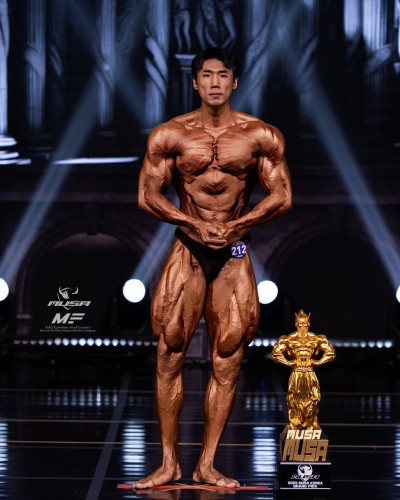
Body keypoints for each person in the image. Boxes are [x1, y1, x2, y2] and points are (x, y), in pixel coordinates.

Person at [135, 47, 292, 489]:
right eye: (207, 75)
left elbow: (282, 196)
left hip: (235, 250)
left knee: (228, 356)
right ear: (195, 82)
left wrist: (237, 225)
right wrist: (193, 223)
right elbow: (147, 195)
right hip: (188, 246)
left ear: (235, 82)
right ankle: (168, 464)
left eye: (223, 75)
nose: (215, 82)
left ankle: (207, 464)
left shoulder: (260, 135)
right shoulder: (171, 134)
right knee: (170, 351)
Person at [271, 310, 336, 430]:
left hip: (310, 372)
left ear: (308, 323)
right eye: (300, 323)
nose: (303, 326)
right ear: (296, 323)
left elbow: (331, 353)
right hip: (296, 372)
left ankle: (310, 424)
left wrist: (318, 362)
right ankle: (296, 424)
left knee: (314, 397)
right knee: (293, 398)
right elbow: (275, 353)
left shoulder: (316, 338)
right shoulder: (289, 339)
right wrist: (289, 362)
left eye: (305, 323)